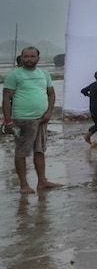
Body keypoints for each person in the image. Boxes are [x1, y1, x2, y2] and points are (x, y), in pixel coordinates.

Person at [3, 47, 61, 194]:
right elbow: (6, 98)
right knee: (21, 152)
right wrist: (8, 121)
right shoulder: (14, 75)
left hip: (41, 119)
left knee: (40, 150)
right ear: (21, 58)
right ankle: (24, 184)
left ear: (38, 58)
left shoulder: (44, 74)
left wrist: (48, 113)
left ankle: (42, 181)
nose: (29, 59)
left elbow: (51, 94)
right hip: (22, 120)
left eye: (32, 56)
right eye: (26, 56)